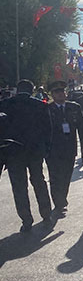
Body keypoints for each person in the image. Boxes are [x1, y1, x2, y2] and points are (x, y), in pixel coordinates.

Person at [0, 79, 53, 231]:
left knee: (19, 187)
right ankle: (46, 214)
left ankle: (26, 219)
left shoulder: (5, 104)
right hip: (35, 152)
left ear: (17, 89)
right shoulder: (41, 105)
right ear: (32, 90)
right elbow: (48, 130)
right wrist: (46, 150)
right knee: (39, 182)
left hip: (13, 153)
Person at [46, 80, 83, 217]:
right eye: (57, 92)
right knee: (55, 177)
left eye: (62, 91)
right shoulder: (48, 109)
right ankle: (58, 203)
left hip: (69, 149)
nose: (60, 94)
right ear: (53, 95)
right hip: (53, 150)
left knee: (66, 176)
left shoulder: (74, 107)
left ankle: (62, 198)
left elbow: (82, 127)